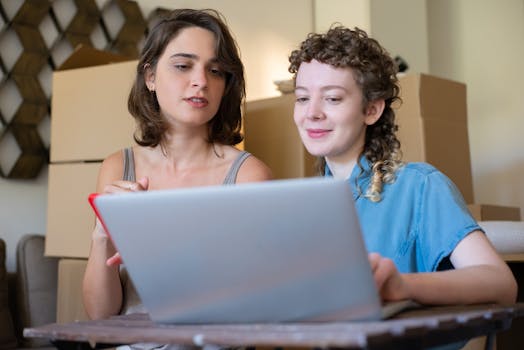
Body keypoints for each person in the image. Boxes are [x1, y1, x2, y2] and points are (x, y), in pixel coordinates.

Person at [288, 26, 517, 307]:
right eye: (302, 98)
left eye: (333, 98)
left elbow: (501, 283)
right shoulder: (301, 206)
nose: (311, 113)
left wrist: (402, 285)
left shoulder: (419, 186)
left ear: (372, 110)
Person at [83, 8, 272, 321]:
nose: (200, 81)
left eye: (215, 71)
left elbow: (255, 306)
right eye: (183, 66)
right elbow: (100, 314)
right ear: (150, 76)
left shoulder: (249, 176)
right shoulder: (118, 167)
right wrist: (103, 236)